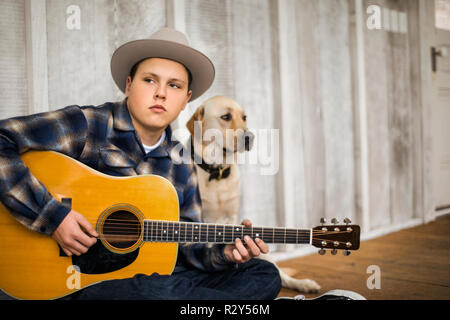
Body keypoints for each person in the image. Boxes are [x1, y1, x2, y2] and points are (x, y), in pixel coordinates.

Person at [0, 28, 281, 300]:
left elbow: (190, 246)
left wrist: (225, 253)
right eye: (150, 80)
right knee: (155, 291)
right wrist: (54, 217)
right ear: (129, 85)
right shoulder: (87, 125)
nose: (161, 93)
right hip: (77, 282)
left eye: (174, 85)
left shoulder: (181, 162)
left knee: (263, 273)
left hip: (152, 278)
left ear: (185, 100)